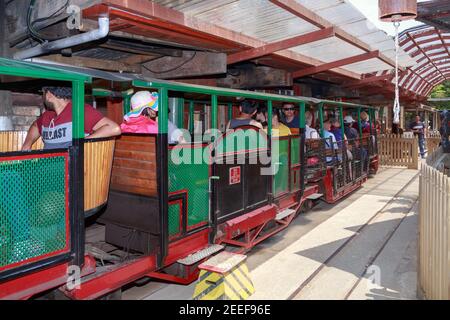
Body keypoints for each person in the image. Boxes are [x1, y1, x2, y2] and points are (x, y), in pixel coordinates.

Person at [22, 86, 121, 150]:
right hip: (46, 171)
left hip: (70, 172)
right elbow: (35, 126)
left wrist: (81, 142)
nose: (42, 97)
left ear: (48, 95)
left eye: (43, 93)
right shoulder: (48, 115)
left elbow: (114, 128)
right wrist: (27, 144)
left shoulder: (79, 110)